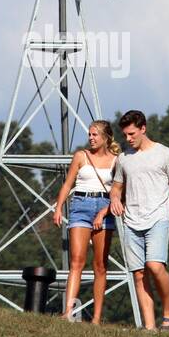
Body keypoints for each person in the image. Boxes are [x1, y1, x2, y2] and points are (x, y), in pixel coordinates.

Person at [108, 110, 169, 331]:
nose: (128, 139)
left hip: (157, 218)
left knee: (155, 266)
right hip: (131, 222)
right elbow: (116, 188)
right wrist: (115, 199)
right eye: (125, 135)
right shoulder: (123, 159)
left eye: (131, 134)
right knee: (138, 274)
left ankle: (168, 314)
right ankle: (149, 328)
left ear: (143, 128)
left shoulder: (165, 154)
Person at [52, 121, 120, 323]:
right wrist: (58, 207)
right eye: (89, 134)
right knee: (77, 261)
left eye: (95, 135)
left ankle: (96, 318)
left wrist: (104, 212)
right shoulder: (81, 156)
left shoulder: (117, 161)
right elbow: (68, 183)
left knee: (100, 265)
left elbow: (119, 192)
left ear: (106, 137)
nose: (91, 138)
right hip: (80, 205)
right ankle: (68, 311)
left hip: (104, 207)